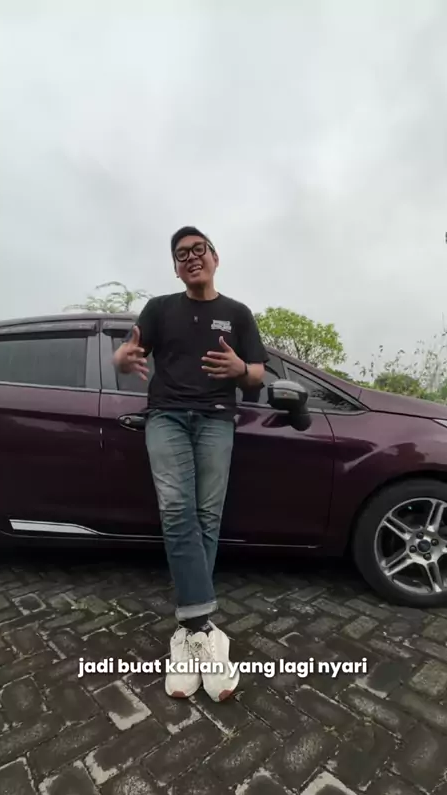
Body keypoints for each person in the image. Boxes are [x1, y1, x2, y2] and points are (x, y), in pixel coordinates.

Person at [113, 226, 268, 702]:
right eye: (181, 254)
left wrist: (241, 370)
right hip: (166, 418)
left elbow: (258, 375)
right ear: (176, 268)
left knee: (206, 516)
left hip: (217, 420)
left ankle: (189, 634)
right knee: (177, 510)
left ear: (215, 258)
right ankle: (202, 629)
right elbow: (129, 352)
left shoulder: (237, 314)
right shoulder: (160, 309)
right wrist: (121, 359)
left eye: (199, 249)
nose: (191, 257)